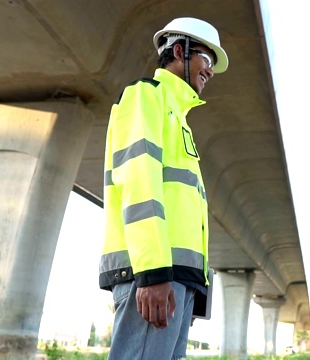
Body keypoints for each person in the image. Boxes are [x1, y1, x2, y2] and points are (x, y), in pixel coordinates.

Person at [99, 17, 228, 359]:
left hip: (178, 280)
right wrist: (153, 272)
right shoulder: (146, 96)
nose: (210, 71)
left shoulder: (179, 118)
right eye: (208, 59)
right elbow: (139, 182)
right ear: (178, 51)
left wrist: (195, 285)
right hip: (155, 275)